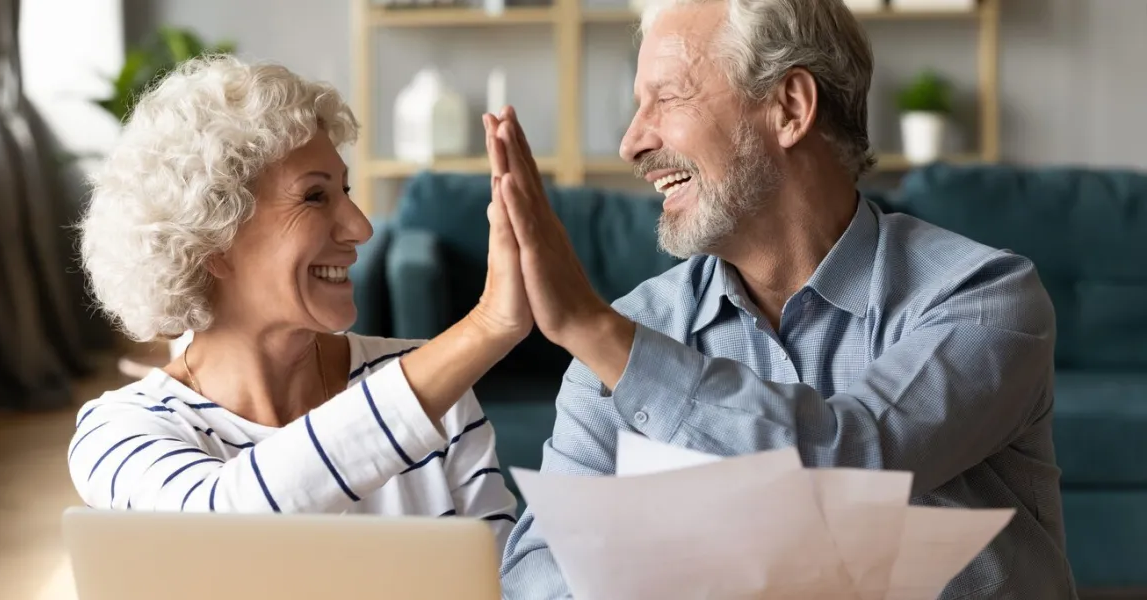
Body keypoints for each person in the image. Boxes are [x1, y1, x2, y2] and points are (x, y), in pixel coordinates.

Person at [489, 0, 1077, 597]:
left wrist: (594, 331)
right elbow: (540, 566)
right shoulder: (633, 330)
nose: (632, 143)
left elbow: (855, 457)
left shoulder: (983, 297)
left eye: (667, 99)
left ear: (790, 108)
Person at [68, 54, 529, 551]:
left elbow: (503, 581)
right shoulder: (119, 432)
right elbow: (216, 530)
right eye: (314, 197)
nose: (361, 228)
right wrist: (486, 326)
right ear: (212, 242)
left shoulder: (440, 394)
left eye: (345, 190)